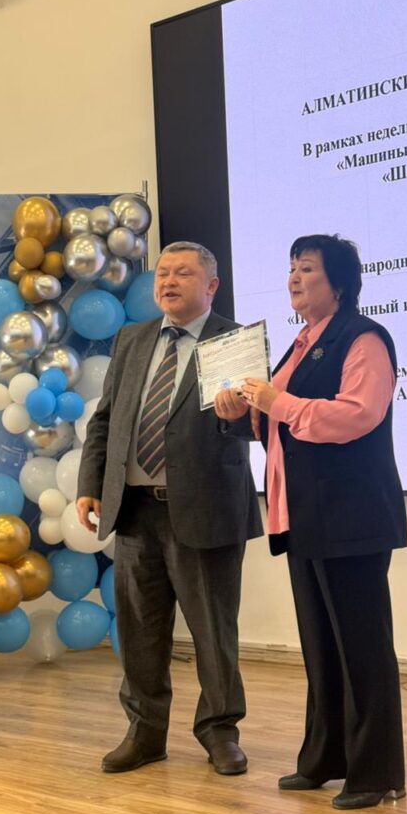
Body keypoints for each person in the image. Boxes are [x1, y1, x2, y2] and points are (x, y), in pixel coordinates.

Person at [215, 234, 407, 810]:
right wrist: (240, 415)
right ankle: (325, 758)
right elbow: (276, 425)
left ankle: (377, 774)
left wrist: (276, 403)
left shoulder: (364, 338)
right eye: (291, 269)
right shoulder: (300, 344)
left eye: (307, 269)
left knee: (363, 647)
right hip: (302, 515)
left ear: (339, 283)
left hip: (351, 515)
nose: (294, 279)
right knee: (321, 646)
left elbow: (357, 415)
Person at [76, 241, 263, 776]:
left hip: (206, 510)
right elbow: (106, 419)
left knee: (213, 632)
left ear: (211, 285)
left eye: (183, 273)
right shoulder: (133, 339)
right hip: (135, 511)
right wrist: (91, 483)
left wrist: (235, 416)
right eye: (162, 273)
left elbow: (256, 427)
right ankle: (144, 732)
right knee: (139, 631)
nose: (168, 282)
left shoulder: (233, 341)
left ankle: (219, 732)